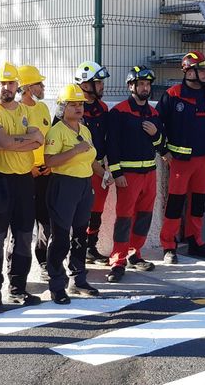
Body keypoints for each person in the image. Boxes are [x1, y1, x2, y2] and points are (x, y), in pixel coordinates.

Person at [0, 61, 44, 313]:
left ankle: (17, 288)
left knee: (22, 236)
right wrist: (22, 141)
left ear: (19, 85)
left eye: (11, 82)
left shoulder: (24, 110)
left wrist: (8, 143)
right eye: (3, 83)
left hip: (24, 181)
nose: (7, 87)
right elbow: (3, 140)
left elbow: (38, 139)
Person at [156, 51, 205, 264]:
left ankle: (195, 241)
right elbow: (156, 124)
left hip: (203, 160)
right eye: (202, 69)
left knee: (198, 203)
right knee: (175, 204)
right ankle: (169, 245)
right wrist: (163, 151)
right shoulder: (173, 94)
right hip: (179, 162)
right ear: (189, 71)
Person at [44, 84, 111, 303]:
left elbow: (90, 159)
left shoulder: (85, 130)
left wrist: (103, 174)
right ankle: (56, 284)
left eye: (80, 104)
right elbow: (49, 161)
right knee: (61, 238)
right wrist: (74, 151)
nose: (78, 108)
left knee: (80, 235)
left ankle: (79, 279)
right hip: (63, 185)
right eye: (72, 104)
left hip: (84, 185)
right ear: (62, 108)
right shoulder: (57, 131)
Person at [104, 66, 162, 282]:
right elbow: (112, 145)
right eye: (141, 84)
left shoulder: (154, 113)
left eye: (148, 84)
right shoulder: (118, 112)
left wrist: (156, 134)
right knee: (124, 219)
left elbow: (160, 144)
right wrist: (117, 173)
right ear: (131, 87)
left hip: (150, 175)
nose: (145, 88)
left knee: (144, 217)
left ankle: (134, 254)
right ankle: (117, 261)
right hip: (128, 176)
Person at [74, 61, 113, 265]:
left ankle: (91, 248)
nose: (102, 86)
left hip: (98, 167)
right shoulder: (72, 107)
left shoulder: (103, 108)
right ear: (86, 85)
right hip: (77, 168)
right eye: (98, 83)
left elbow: (107, 139)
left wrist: (108, 168)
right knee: (79, 212)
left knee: (97, 208)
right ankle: (76, 251)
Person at [18, 65, 52, 282]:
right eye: (39, 84)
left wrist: (49, 163)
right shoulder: (18, 111)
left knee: (46, 222)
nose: (43, 87)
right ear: (29, 88)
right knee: (22, 225)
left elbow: (49, 139)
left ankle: (44, 262)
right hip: (25, 174)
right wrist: (29, 167)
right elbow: (17, 141)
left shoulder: (43, 109)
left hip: (46, 172)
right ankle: (19, 271)